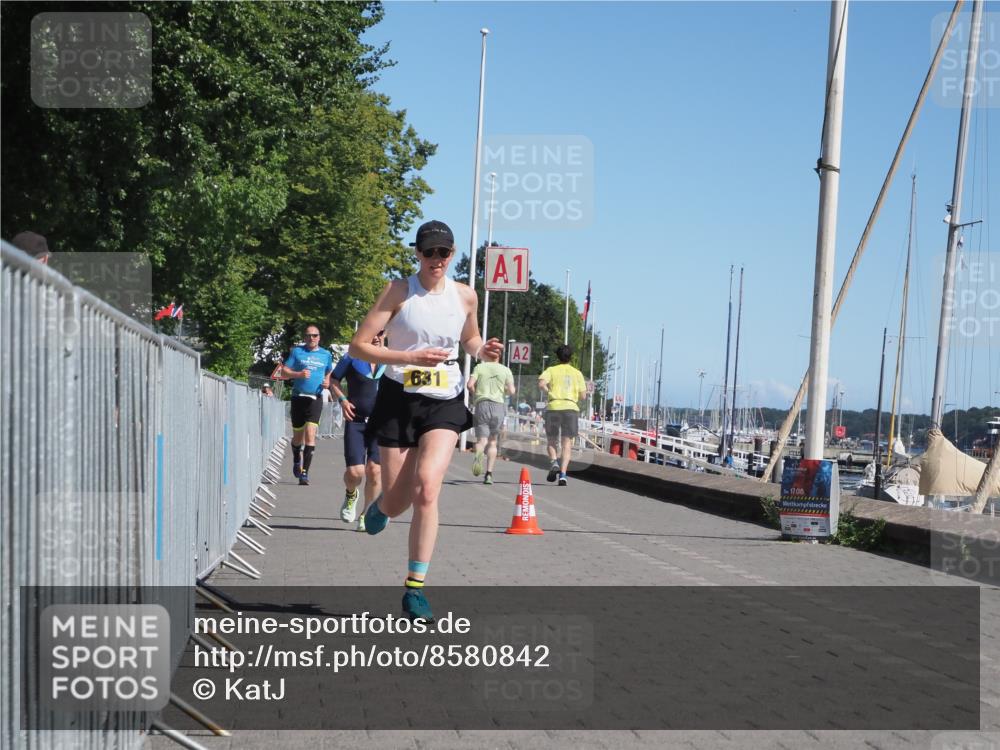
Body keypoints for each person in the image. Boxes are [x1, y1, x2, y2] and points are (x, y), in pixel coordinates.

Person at [348, 219, 503, 622]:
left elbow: (468, 339)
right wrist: (408, 357)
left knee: (428, 489)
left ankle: (415, 590)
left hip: (444, 400)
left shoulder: (465, 296)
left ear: (452, 256)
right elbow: (359, 346)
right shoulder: (399, 291)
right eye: (430, 252)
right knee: (399, 502)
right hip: (400, 398)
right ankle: (382, 504)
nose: (437, 260)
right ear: (417, 252)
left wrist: (482, 349)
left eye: (444, 253)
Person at [329, 330, 386, 530]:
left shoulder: (391, 359)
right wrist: (342, 400)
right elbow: (333, 380)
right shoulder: (352, 358)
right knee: (355, 472)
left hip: (381, 424)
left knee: (375, 471)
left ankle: (366, 514)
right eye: (373, 333)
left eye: (381, 333)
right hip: (356, 421)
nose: (377, 337)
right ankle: (351, 493)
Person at [281, 325, 333, 486]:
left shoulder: (326, 354)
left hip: (315, 398)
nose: (312, 338)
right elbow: (284, 372)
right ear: (305, 337)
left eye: (315, 335)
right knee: (298, 437)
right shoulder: (297, 352)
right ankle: (297, 458)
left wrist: (328, 380)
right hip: (298, 398)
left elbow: (329, 371)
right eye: (308, 335)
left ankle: (305, 473)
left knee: (311, 433)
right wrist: (298, 374)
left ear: (319, 337)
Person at [538, 344, 587, 486]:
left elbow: (541, 384)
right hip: (571, 408)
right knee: (567, 444)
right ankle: (563, 475)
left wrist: (550, 391)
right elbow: (583, 396)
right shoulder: (577, 373)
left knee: (552, 440)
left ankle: (554, 462)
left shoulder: (551, 370)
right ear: (571, 357)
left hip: (554, 406)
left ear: (557, 357)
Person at [467, 349, 515, 484]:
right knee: (493, 441)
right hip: (498, 406)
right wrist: (503, 390)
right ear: (499, 356)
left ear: (487, 355)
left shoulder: (480, 367)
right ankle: (489, 474)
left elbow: (469, 385)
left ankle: (478, 453)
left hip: (482, 404)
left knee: (481, 440)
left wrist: (475, 394)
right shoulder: (506, 370)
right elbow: (512, 391)